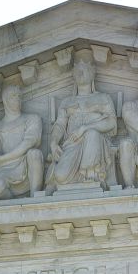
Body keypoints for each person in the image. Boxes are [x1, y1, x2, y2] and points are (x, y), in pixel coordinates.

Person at [47, 50, 118, 192]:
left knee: (92, 133)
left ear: (93, 73)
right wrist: (54, 142)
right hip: (72, 143)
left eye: (85, 69)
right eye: (78, 70)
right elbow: (60, 125)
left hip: (96, 142)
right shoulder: (67, 102)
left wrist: (85, 128)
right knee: (60, 176)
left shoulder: (103, 98)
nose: (81, 73)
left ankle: (91, 174)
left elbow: (111, 123)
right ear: (73, 74)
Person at [0, 84, 45, 201]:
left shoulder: (32, 118)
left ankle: (34, 200)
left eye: (19, 96)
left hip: (26, 163)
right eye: (13, 96)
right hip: (6, 168)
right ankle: (15, 210)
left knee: (34, 153)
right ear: (5, 101)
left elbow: (28, 143)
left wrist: (1, 159)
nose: (17, 99)